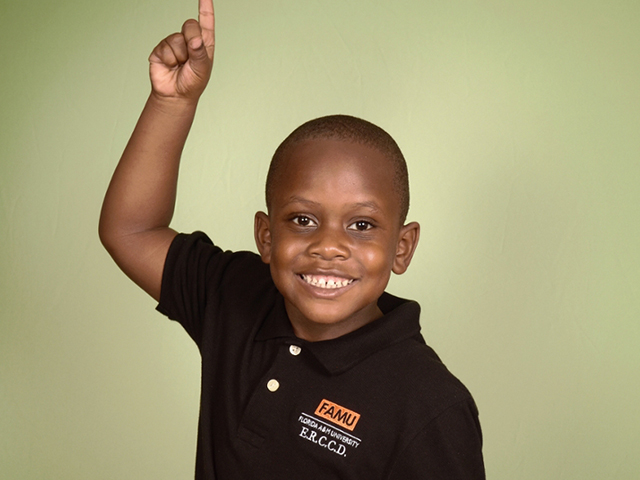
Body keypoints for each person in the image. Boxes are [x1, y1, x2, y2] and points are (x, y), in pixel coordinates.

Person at [99, 0, 485, 478]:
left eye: (361, 225)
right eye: (303, 219)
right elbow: (131, 230)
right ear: (265, 235)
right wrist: (171, 102)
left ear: (401, 247)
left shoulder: (429, 406)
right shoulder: (235, 297)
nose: (328, 245)